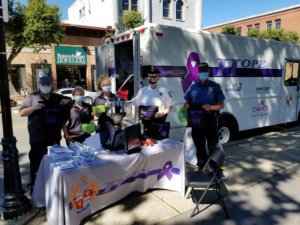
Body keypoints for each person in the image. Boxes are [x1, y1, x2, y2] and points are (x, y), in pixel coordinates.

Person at [19, 75, 70, 188]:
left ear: (51, 85)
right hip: (38, 139)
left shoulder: (56, 97)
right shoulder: (32, 97)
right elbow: (21, 113)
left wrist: (64, 102)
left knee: (54, 164)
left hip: (54, 138)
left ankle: (52, 185)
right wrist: (33, 108)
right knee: (37, 164)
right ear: (39, 84)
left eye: (47, 84)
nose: (45, 86)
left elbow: (69, 101)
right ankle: (35, 187)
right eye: (43, 84)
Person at [184, 62, 225, 169]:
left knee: (213, 147)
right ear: (198, 73)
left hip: (210, 122)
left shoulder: (215, 87)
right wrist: (186, 105)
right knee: (199, 148)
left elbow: (221, 105)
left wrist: (211, 108)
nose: (203, 73)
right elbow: (186, 102)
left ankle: (215, 169)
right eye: (201, 71)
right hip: (196, 123)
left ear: (208, 72)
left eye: (205, 71)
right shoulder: (193, 87)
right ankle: (202, 166)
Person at [133, 67, 174, 138]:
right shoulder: (142, 91)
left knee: (161, 143)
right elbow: (136, 106)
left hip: (160, 123)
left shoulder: (164, 90)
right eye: (150, 76)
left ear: (158, 78)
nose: (152, 79)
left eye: (155, 77)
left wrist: (163, 113)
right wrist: (139, 118)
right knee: (148, 144)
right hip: (146, 124)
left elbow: (170, 106)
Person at [93, 75, 124, 147]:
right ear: (100, 86)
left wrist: (120, 125)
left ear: (110, 85)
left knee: (114, 150)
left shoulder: (116, 98)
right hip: (102, 129)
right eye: (104, 85)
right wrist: (98, 112)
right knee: (101, 149)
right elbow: (96, 115)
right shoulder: (97, 100)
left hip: (114, 129)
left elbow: (121, 113)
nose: (106, 86)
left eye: (107, 84)